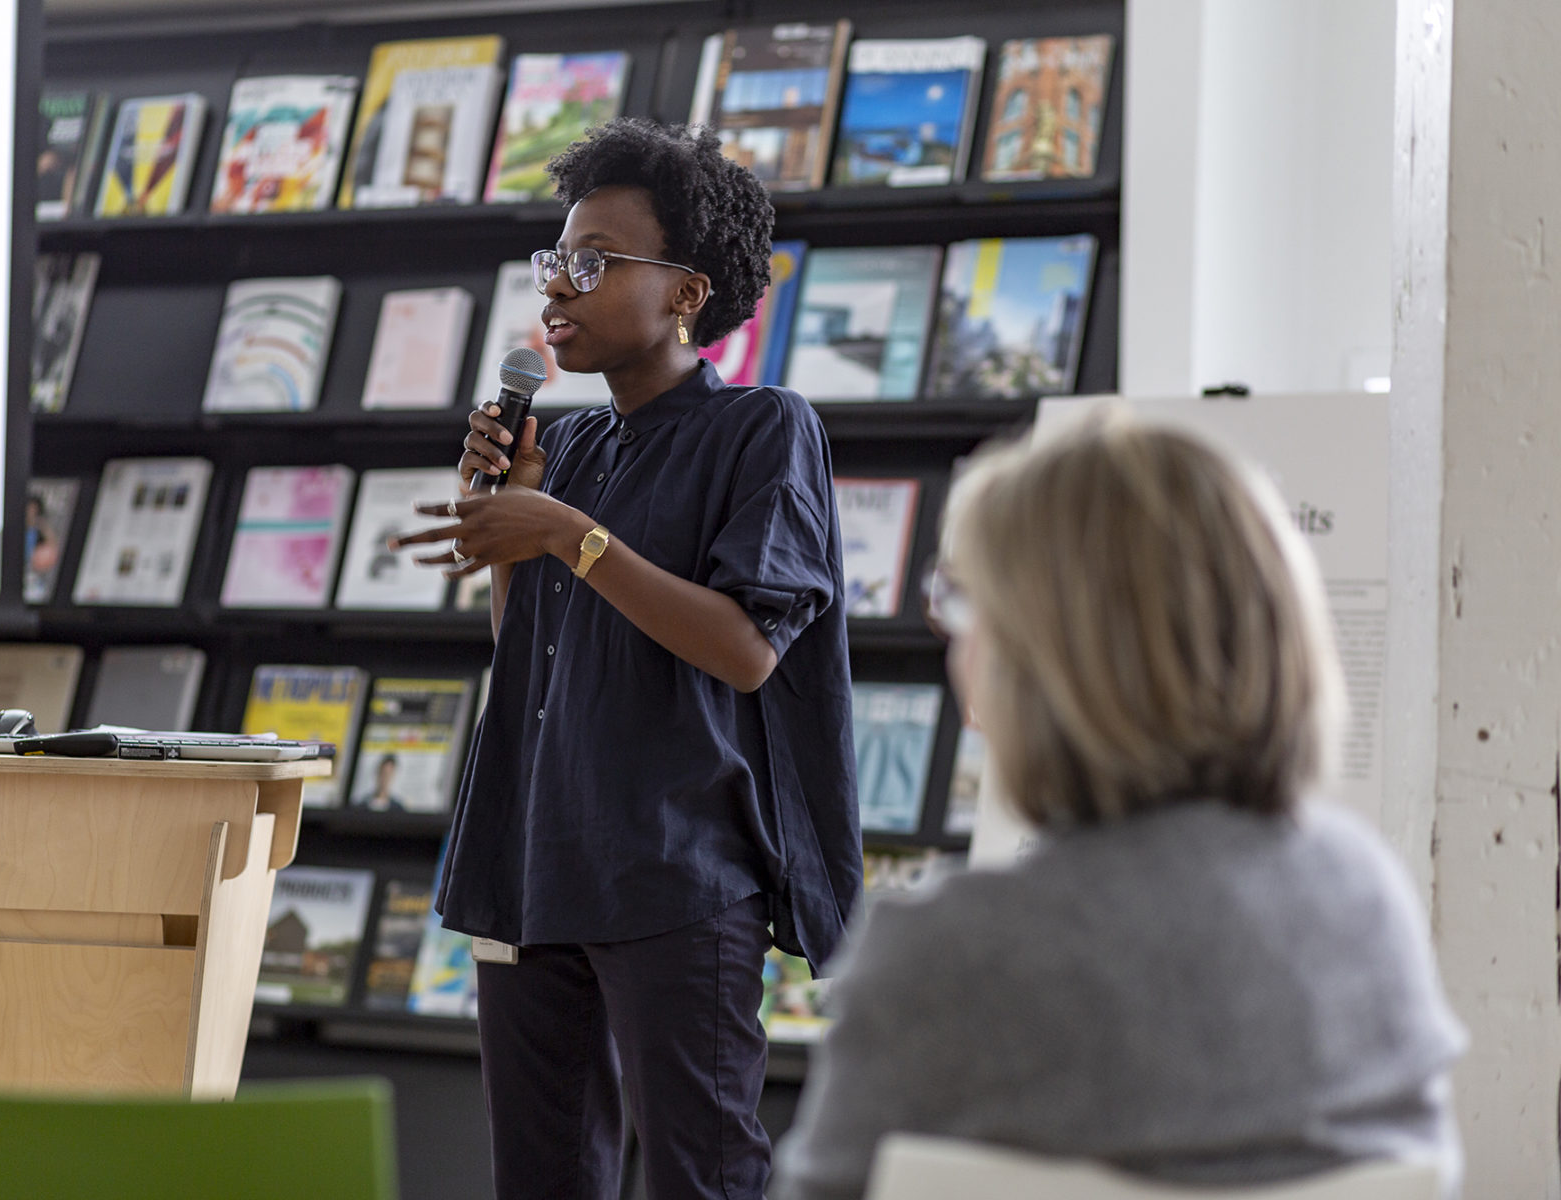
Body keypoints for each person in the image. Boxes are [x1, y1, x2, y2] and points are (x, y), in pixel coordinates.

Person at [770, 409, 1468, 1200]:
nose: (958, 652)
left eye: (966, 607)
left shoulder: (950, 957)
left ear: (1044, 657)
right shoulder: (1363, 898)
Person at [391, 118, 861, 1200]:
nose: (560, 287)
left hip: (675, 873)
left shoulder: (763, 429)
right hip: (532, 861)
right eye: (556, 259)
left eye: (594, 262)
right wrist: (513, 512)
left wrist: (562, 531)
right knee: (543, 1178)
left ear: (688, 293)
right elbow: (532, 652)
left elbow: (748, 652)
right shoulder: (577, 445)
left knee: (704, 1176)